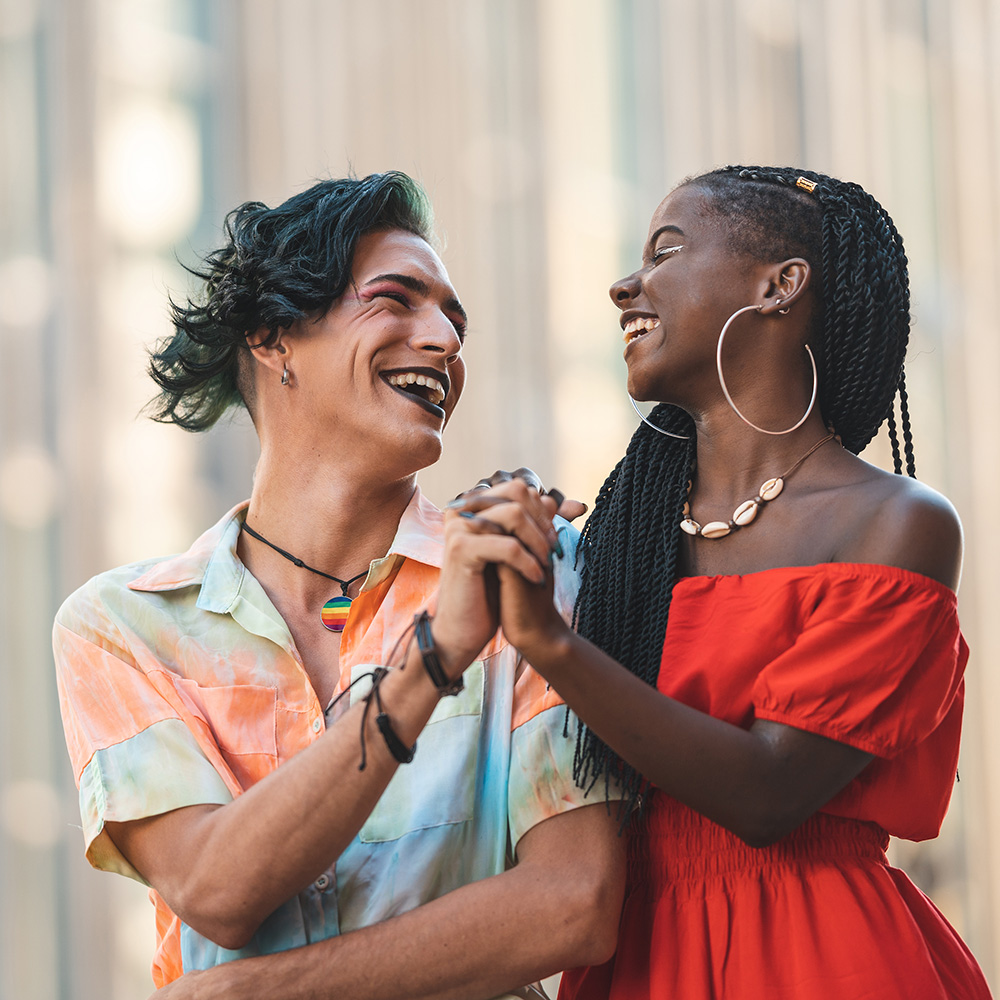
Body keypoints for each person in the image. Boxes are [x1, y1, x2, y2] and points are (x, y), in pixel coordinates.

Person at [52, 171, 625, 999]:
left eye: (454, 319)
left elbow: (576, 904)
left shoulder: (535, 573)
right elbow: (218, 891)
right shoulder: (122, 626)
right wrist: (430, 664)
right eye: (397, 300)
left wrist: (260, 993)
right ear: (272, 336)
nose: (444, 339)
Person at [457, 166, 992, 998]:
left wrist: (552, 644)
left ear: (779, 287)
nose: (623, 285)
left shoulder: (895, 524)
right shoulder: (618, 542)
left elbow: (768, 794)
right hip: (633, 954)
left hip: (818, 958)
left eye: (665, 252)